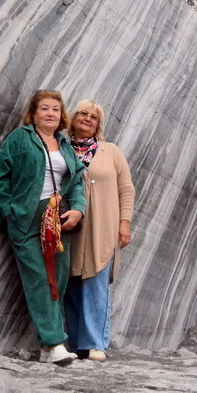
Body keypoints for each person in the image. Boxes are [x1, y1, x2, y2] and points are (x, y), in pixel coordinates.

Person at [0, 90, 87, 365]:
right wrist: (10, 213)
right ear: (33, 114)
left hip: (60, 219)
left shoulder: (64, 145)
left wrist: (78, 209)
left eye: (55, 109)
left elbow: (78, 180)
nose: (50, 114)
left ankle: (48, 349)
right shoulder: (21, 138)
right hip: (26, 218)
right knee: (38, 280)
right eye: (44, 108)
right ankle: (55, 341)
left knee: (58, 279)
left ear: (61, 116)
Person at [64, 100, 135, 362]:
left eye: (93, 117)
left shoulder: (111, 151)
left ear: (98, 125)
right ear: (73, 118)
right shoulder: (62, 148)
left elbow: (126, 189)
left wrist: (124, 222)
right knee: (70, 282)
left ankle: (95, 344)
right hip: (70, 226)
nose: (87, 119)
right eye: (83, 113)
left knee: (96, 281)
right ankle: (75, 344)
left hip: (104, 226)